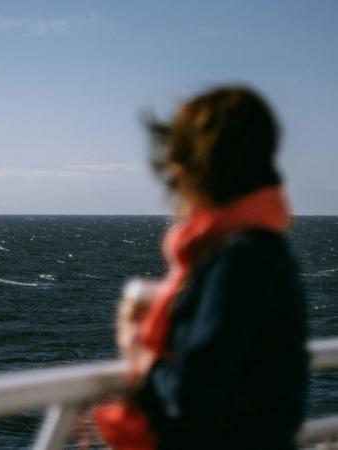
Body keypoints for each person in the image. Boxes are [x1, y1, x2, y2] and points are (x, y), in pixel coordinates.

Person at [91, 86, 308, 450]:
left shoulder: (241, 259)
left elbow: (192, 394)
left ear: (197, 164)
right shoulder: (263, 251)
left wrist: (138, 349)